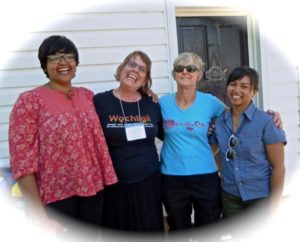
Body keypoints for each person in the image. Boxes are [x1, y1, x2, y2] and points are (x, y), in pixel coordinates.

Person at [159, 52, 283, 233]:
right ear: (174, 74)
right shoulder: (162, 103)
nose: (185, 72)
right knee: (178, 228)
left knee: (209, 228)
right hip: (172, 176)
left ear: (199, 74)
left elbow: (239, 111)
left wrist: (270, 116)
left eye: (191, 68)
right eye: (180, 68)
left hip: (205, 176)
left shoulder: (210, 102)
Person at [9, 35, 118, 235]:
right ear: (44, 65)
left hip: (93, 191)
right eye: (54, 58)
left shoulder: (87, 95)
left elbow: (118, 103)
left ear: (76, 63)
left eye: (69, 57)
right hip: (56, 197)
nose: (63, 63)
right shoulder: (29, 102)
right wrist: (39, 217)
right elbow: (22, 163)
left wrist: (145, 93)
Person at [93, 50, 164, 233]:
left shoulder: (152, 103)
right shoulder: (99, 101)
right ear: (122, 67)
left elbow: (168, 133)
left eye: (142, 69)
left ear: (145, 78)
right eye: (132, 64)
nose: (135, 70)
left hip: (149, 181)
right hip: (114, 185)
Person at [210, 66, 286, 219]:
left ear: (254, 91)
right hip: (230, 197)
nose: (237, 90)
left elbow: (278, 167)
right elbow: (211, 153)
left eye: (244, 86)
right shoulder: (219, 122)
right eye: (233, 84)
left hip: (260, 198)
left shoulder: (266, 122)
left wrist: (274, 206)